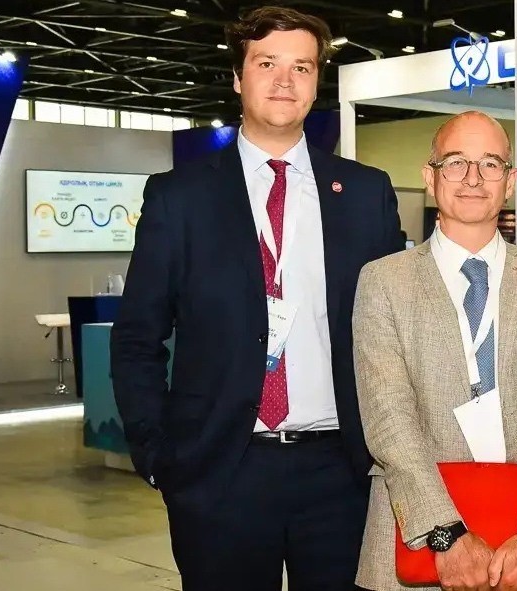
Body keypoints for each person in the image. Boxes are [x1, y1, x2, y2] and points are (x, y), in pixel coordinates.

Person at [109, 6, 402, 590]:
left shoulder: (364, 193)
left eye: (302, 67)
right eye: (267, 63)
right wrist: (158, 455)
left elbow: (395, 331)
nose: (285, 80)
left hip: (341, 473)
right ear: (238, 78)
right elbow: (138, 337)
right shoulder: (179, 197)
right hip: (219, 470)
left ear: (317, 82)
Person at [352, 111, 517, 591]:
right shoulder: (383, 282)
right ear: (430, 178)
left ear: (510, 181)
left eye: (489, 164)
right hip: (416, 537)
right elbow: (388, 420)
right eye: (455, 162)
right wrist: (445, 535)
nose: (472, 178)